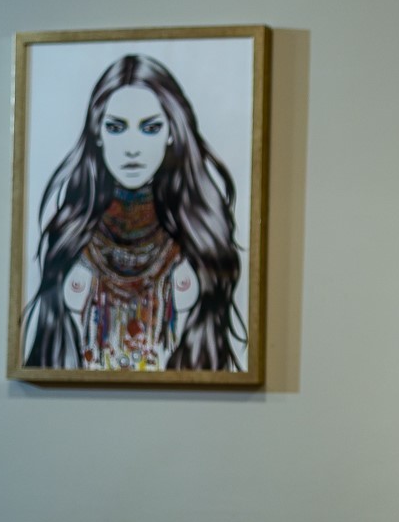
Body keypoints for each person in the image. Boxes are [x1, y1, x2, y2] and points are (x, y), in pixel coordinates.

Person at [23, 54, 245, 371]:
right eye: (116, 127)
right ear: (97, 133)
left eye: (150, 128)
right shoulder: (71, 234)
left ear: (172, 132)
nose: (132, 148)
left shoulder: (196, 234)